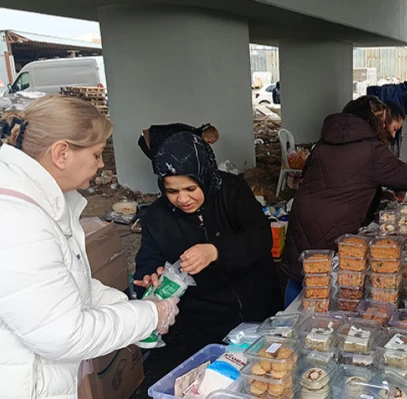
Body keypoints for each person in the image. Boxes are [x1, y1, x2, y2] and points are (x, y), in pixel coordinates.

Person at [0, 96, 177, 398]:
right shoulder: (17, 221)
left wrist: (134, 308)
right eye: (96, 154)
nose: (102, 163)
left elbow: (68, 286)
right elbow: (64, 333)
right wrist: (148, 316)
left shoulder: (43, 202)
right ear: (61, 153)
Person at [281, 96, 407, 306]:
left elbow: (332, 177)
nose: (388, 131)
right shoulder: (371, 147)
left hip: (304, 214)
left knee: (302, 270)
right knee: (325, 280)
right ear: (374, 121)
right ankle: (312, 325)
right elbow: (403, 176)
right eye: (385, 124)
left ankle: (289, 319)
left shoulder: (325, 142)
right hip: (333, 223)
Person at [134, 132, 282, 351]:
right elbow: (147, 261)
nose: (182, 199)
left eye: (190, 189)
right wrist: (149, 277)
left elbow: (261, 237)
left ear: (204, 176)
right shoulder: (156, 218)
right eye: (172, 191)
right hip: (205, 320)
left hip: (259, 303)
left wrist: (215, 251)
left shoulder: (231, 190)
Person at [139, 122, 219, 170]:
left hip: (154, 139)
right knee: (166, 169)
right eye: (208, 142)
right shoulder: (190, 137)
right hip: (149, 139)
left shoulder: (194, 135)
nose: (208, 145)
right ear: (203, 134)